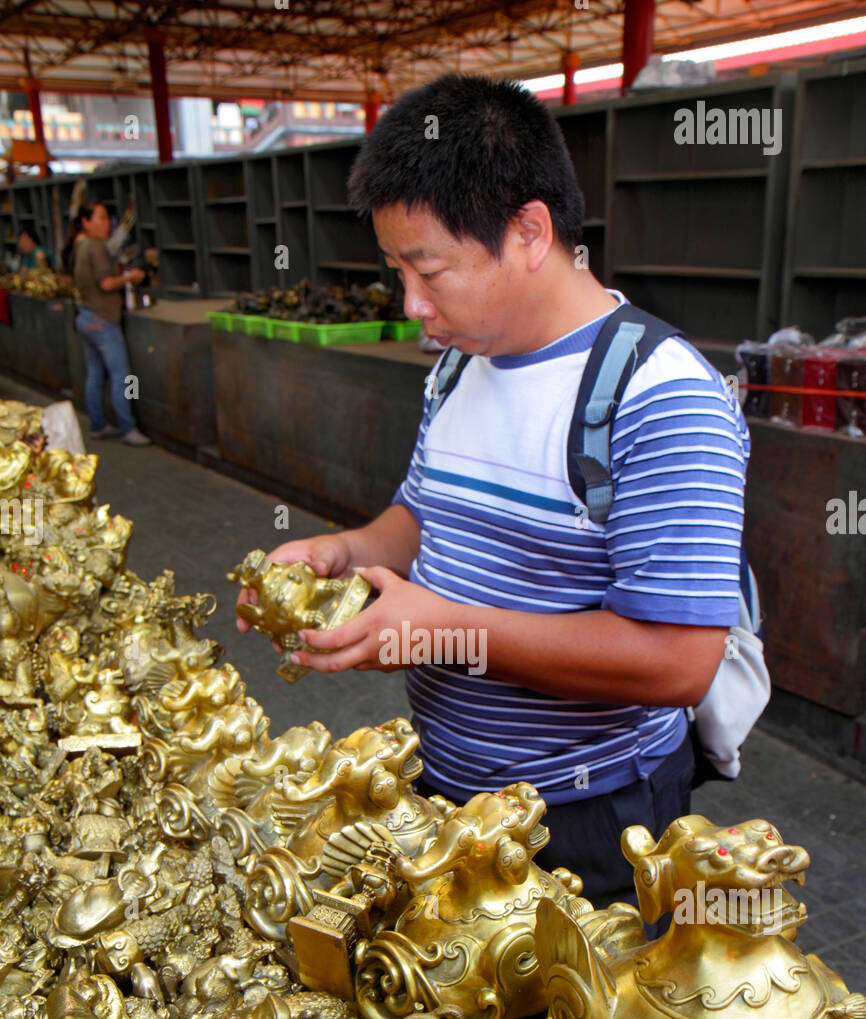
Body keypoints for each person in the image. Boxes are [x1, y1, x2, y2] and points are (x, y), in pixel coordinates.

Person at [237, 74, 749, 909]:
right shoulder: (459, 365)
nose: (411, 305)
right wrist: (346, 552)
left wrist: (444, 632)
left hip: (585, 817)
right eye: (397, 268)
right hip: (447, 787)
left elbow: (679, 662)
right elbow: (421, 515)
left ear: (529, 233)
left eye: (429, 270)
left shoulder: (658, 396)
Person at [62, 202, 150, 445]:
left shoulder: (81, 246)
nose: (106, 224)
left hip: (86, 318)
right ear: (86, 222)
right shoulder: (97, 248)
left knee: (95, 376)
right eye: (99, 218)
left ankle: (98, 425)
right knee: (125, 376)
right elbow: (106, 284)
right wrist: (130, 277)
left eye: (107, 219)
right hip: (103, 321)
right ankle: (128, 427)